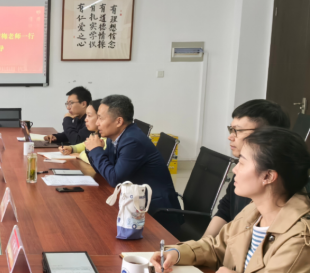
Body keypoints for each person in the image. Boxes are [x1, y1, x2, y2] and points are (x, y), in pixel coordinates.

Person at [151, 128, 310, 273]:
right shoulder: (254, 211)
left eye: (242, 162)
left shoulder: (300, 241)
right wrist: (177, 253)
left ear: (268, 176)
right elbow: (217, 247)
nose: (234, 170)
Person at [83, 95, 182, 233]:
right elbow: (105, 172)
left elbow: (114, 178)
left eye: (101, 118)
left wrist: (96, 150)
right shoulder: (115, 137)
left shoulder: (133, 141)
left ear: (118, 121)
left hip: (156, 212)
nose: (97, 123)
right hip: (136, 203)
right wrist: (92, 150)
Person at [204, 100, 291, 238]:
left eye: (238, 131)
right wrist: (204, 242)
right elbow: (226, 209)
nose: (230, 137)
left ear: (266, 135)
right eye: (231, 129)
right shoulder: (243, 170)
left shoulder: (282, 190)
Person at [59, 99, 106, 167]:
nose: (85, 119)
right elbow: (85, 144)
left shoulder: (107, 138)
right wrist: (72, 148)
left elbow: (96, 159)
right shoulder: (94, 134)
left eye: (89, 116)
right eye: (86, 116)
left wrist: (81, 155)